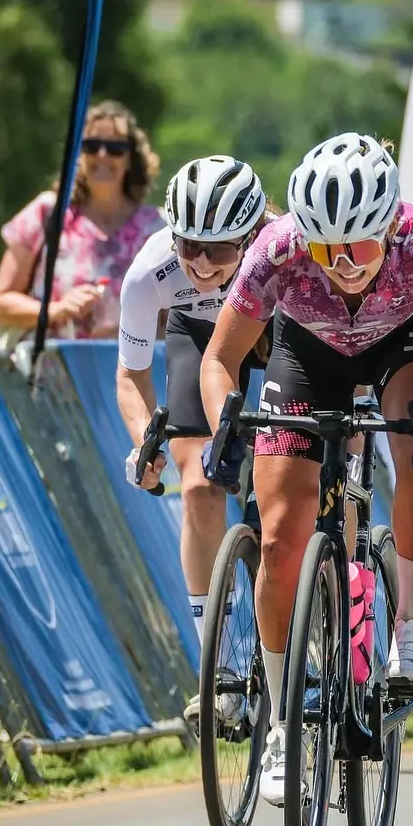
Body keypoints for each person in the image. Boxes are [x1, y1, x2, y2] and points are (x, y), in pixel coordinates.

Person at [200, 132, 413, 806]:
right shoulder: (279, 250)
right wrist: (226, 422)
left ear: (390, 226)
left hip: (403, 341)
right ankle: (280, 723)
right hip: (309, 353)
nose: (344, 264)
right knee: (279, 537)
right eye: (328, 250)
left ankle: (411, 624)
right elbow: (220, 359)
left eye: (360, 247)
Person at [118, 155, 276, 730]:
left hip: (271, 332)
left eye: (218, 250)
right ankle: (220, 669)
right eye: (189, 245)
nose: (201, 263)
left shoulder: (280, 255)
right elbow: (131, 376)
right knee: (204, 485)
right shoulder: (151, 271)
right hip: (197, 333)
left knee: (281, 490)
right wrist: (144, 444)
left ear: (253, 234)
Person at [0, 100, 164, 345]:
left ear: (130, 158)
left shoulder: (157, 229)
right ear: (78, 155)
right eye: (91, 146)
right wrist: (56, 310)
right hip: (49, 374)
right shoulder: (48, 213)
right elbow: (0, 302)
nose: (102, 155)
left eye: (115, 148)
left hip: (125, 376)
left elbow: (177, 315)